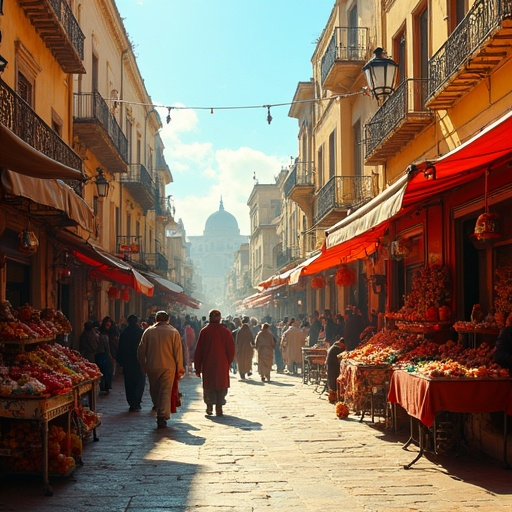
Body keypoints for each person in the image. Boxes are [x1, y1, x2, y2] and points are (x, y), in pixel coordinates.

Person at [137, 310, 185, 429]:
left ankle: (158, 408)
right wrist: (179, 368)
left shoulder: (148, 332)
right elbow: (178, 352)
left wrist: (143, 365)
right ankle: (162, 415)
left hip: (152, 365)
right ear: (168, 320)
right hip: (169, 367)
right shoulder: (173, 332)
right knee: (165, 391)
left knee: (154, 389)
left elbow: (141, 350)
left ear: (156, 320)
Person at [194, 309, 235, 416]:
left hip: (208, 365)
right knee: (221, 386)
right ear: (220, 318)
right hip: (222, 364)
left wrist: (198, 368)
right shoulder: (225, 332)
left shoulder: (204, 331)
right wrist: (228, 362)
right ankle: (219, 407)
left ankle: (209, 406)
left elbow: (199, 351)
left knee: (209, 386)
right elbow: (231, 350)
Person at [116, 314, 145, 412]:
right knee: (139, 382)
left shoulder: (124, 332)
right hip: (139, 361)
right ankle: (136, 402)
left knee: (129, 383)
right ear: (137, 322)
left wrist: (120, 361)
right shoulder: (141, 332)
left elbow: (120, 348)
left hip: (127, 362)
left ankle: (131, 402)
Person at [96, 317, 114, 395]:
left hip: (102, 354)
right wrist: (109, 355)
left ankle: (105, 386)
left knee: (106, 371)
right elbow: (107, 347)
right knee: (105, 371)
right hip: (102, 354)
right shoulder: (102, 336)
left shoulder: (109, 334)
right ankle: (104, 386)